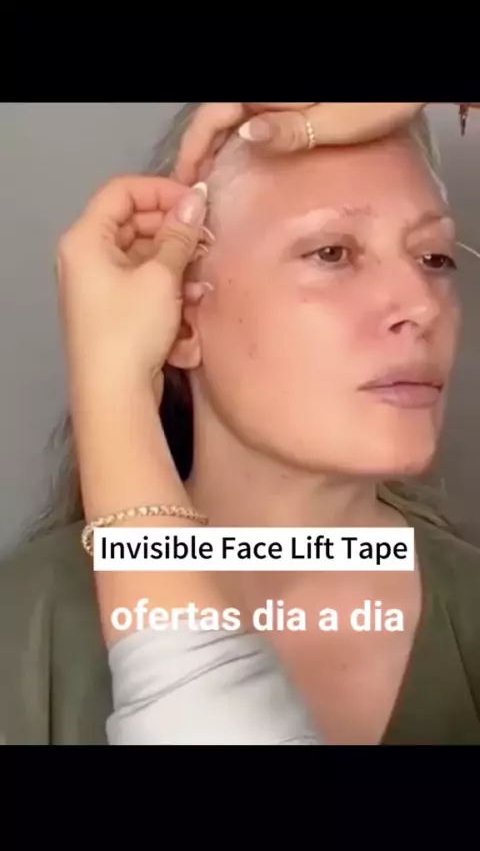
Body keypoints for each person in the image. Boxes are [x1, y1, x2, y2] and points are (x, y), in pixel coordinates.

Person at [1, 102, 480, 745]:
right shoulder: (27, 630)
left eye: (436, 258)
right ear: (182, 321)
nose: (422, 305)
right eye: (332, 252)